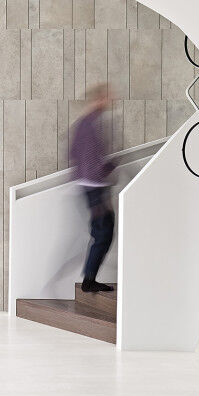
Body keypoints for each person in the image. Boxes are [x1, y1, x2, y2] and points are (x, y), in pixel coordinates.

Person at [69, 83, 115, 293]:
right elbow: (90, 159)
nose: (110, 100)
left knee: (102, 232)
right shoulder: (91, 124)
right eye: (106, 97)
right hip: (94, 186)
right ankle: (89, 280)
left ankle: (90, 278)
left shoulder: (84, 123)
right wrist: (109, 167)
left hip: (90, 185)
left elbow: (75, 153)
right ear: (98, 99)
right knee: (103, 233)